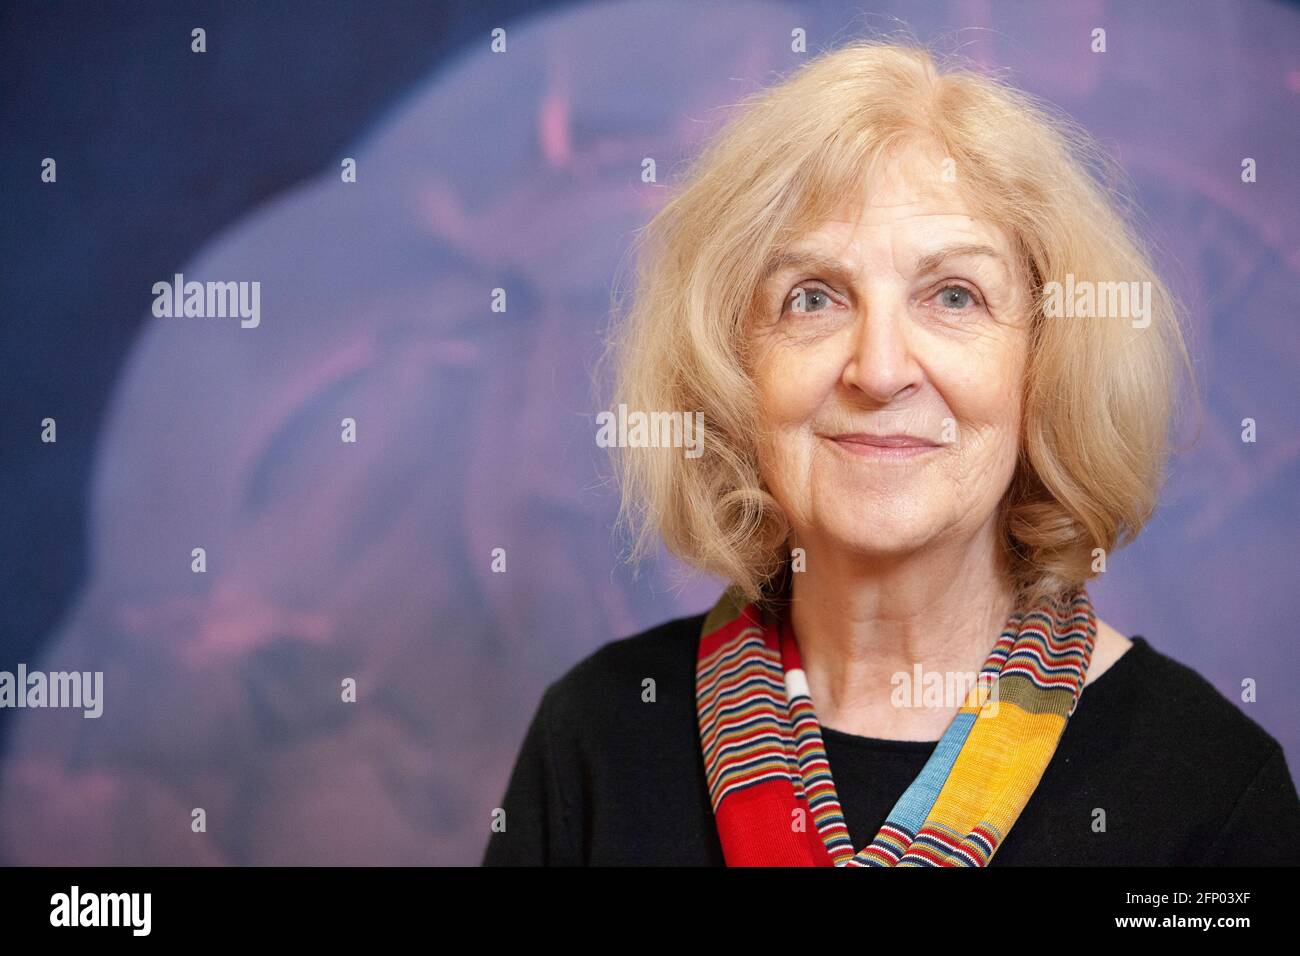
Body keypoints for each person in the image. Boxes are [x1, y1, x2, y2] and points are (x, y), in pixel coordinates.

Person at [482, 41, 1300, 866]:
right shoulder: (593, 741)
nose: (878, 370)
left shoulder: (1210, 793)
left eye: (954, 295)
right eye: (812, 298)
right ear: (731, 368)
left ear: (1048, 364)